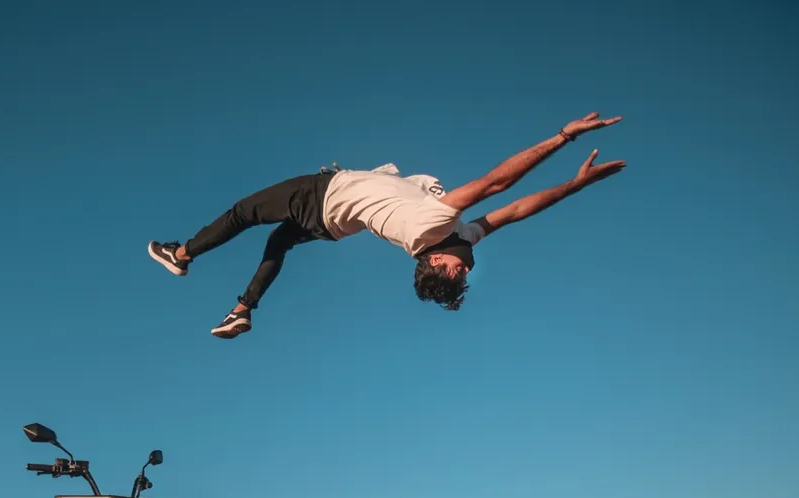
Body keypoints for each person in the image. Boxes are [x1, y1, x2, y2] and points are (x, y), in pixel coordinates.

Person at [148, 112, 625, 338]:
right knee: (278, 243)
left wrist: (562, 137)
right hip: (332, 226)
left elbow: (496, 185)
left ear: (436, 259)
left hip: (319, 196)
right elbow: (517, 210)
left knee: (241, 214)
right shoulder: (462, 235)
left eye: (458, 275)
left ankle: (182, 254)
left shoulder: (431, 226)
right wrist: (574, 187)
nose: (469, 269)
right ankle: (242, 309)